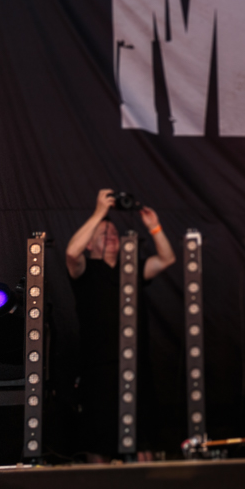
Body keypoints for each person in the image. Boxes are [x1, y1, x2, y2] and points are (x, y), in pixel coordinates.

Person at [65, 188, 176, 462]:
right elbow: (71, 252)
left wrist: (154, 227)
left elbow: (166, 259)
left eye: (114, 233)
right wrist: (100, 213)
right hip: (98, 368)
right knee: (98, 442)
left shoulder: (132, 268)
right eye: (104, 234)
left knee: (142, 440)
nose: (112, 236)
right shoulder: (85, 270)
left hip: (136, 365)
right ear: (90, 243)